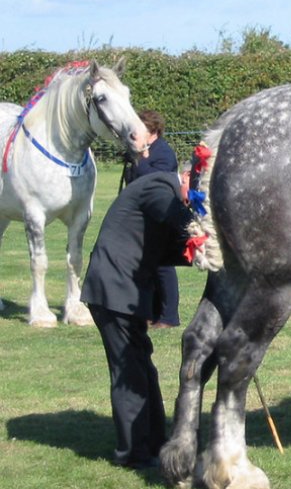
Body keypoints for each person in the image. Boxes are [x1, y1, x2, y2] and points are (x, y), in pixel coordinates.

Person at [81, 166, 193, 469]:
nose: (191, 203)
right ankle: (132, 453)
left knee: (142, 369)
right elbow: (179, 220)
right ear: (185, 178)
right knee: (129, 373)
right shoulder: (159, 186)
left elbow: (172, 249)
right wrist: (205, 229)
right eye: (192, 193)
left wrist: (210, 254)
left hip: (125, 293)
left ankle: (155, 444)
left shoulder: (167, 197)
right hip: (113, 291)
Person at [124, 110, 182, 329]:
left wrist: (139, 160)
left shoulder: (163, 153)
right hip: (142, 215)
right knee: (146, 266)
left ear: (153, 131)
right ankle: (152, 312)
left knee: (163, 267)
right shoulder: (145, 152)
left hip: (160, 215)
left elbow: (155, 180)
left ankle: (169, 316)